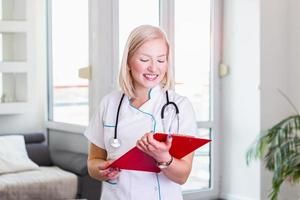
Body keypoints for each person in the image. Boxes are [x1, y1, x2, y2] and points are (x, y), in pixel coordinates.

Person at [84, 25, 198, 200]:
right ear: (129, 61)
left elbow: (182, 176)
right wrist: (103, 169)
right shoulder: (110, 103)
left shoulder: (179, 107)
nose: (154, 68)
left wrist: (163, 157)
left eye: (161, 60)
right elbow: (93, 163)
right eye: (145, 59)